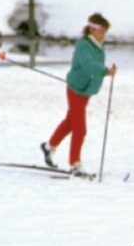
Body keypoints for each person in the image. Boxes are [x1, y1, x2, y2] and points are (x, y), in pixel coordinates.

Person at [41, 13, 117, 177]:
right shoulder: (84, 45)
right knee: (80, 130)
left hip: (85, 91)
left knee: (70, 123)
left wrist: (107, 72)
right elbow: (88, 64)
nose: (104, 34)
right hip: (76, 90)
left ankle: (48, 147)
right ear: (92, 29)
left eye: (105, 31)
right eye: (102, 31)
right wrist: (105, 71)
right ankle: (75, 164)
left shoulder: (99, 45)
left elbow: (96, 66)